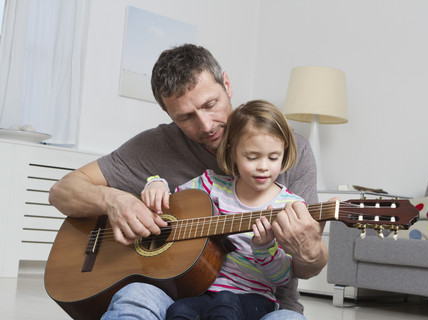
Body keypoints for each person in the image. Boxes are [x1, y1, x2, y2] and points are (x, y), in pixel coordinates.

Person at [49, 44, 328, 320]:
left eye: (210, 105)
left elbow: (307, 269)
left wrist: (308, 249)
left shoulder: (290, 151)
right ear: (169, 115)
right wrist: (114, 200)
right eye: (186, 117)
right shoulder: (155, 146)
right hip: (175, 294)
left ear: (227, 85)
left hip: (265, 302)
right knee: (134, 297)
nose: (206, 125)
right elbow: (62, 191)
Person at [142, 100, 303, 320]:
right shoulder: (210, 185)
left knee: (225, 301)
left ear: (284, 152)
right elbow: (170, 208)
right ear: (233, 152)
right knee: (178, 310)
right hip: (204, 292)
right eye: (252, 157)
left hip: (255, 299)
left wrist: (264, 248)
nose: (264, 166)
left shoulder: (290, 207)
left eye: (273, 157)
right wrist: (155, 183)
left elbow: (282, 278)